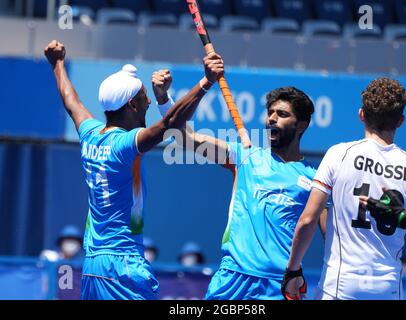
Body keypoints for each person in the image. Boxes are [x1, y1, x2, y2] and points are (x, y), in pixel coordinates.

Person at [44, 40, 224, 300]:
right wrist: (205, 82)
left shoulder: (90, 133)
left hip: (93, 266)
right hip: (123, 264)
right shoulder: (125, 144)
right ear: (132, 105)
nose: (149, 101)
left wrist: (57, 63)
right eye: (144, 96)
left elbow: (70, 100)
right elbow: (171, 123)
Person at [152, 71, 326, 299]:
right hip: (232, 281)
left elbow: (332, 237)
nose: (272, 118)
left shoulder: (316, 179)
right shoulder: (244, 156)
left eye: (282, 114)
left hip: (278, 286)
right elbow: (185, 138)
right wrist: (164, 99)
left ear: (301, 125)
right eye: (270, 113)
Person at [283, 78, 406, 300]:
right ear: (400, 121)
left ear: (361, 114)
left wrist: (292, 271)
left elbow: (307, 221)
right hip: (389, 289)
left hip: (339, 287)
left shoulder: (338, 154)